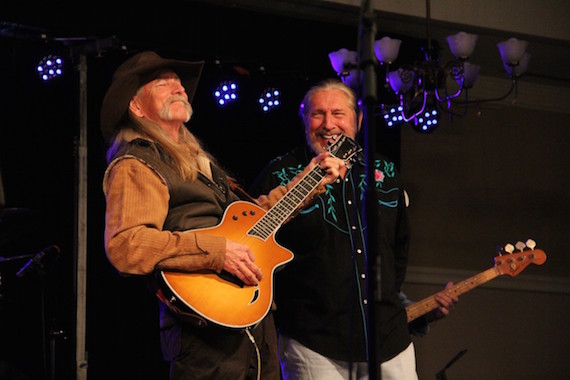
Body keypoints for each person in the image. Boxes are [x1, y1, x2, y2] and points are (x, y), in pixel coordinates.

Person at [100, 51, 347, 380]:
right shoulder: (137, 163)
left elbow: (254, 222)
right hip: (202, 331)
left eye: (180, 84)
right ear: (136, 106)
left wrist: (310, 178)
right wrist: (218, 252)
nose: (179, 89)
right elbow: (126, 245)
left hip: (251, 320)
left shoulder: (202, 168)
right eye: (164, 84)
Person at [249, 78, 458, 380]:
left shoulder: (384, 171)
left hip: (388, 340)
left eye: (338, 114)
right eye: (317, 114)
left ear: (358, 120)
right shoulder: (279, 174)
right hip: (313, 340)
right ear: (304, 119)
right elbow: (256, 241)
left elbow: (398, 249)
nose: (327, 124)